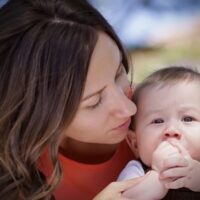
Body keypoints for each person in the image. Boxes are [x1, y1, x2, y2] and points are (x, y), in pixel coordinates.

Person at [0, 0, 144, 199]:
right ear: (37, 113)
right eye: (94, 102)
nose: (129, 108)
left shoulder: (168, 115)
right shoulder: (12, 178)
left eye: (119, 74)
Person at [118, 66, 200, 199]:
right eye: (157, 121)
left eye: (188, 119)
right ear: (135, 143)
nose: (172, 130)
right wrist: (158, 177)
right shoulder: (136, 172)